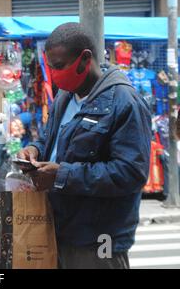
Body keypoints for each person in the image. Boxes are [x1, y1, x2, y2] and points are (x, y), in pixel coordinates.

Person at [18, 22, 151, 269]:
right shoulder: (64, 97)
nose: (54, 74)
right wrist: (34, 150)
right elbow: (50, 139)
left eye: (59, 67)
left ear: (84, 59)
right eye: (51, 67)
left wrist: (62, 175)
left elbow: (131, 173)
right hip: (58, 231)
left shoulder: (125, 102)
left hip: (97, 241)